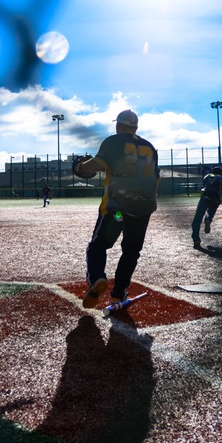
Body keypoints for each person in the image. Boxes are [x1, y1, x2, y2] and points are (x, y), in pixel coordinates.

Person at [74, 110, 160, 308]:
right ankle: (118, 294)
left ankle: (97, 278)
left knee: (98, 246)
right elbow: (156, 179)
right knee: (131, 251)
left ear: (118, 125)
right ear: (136, 126)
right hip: (143, 207)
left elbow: (95, 165)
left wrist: (80, 166)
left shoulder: (114, 141)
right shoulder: (149, 146)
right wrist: (152, 201)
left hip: (118, 207)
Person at [191, 166, 222, 249]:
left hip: (205, 197)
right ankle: (208, 219)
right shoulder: (221, 178)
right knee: (211, 211)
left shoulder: (207, 177)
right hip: (215, 199)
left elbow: (209, 186)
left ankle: (196, 239)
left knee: (197, 219)